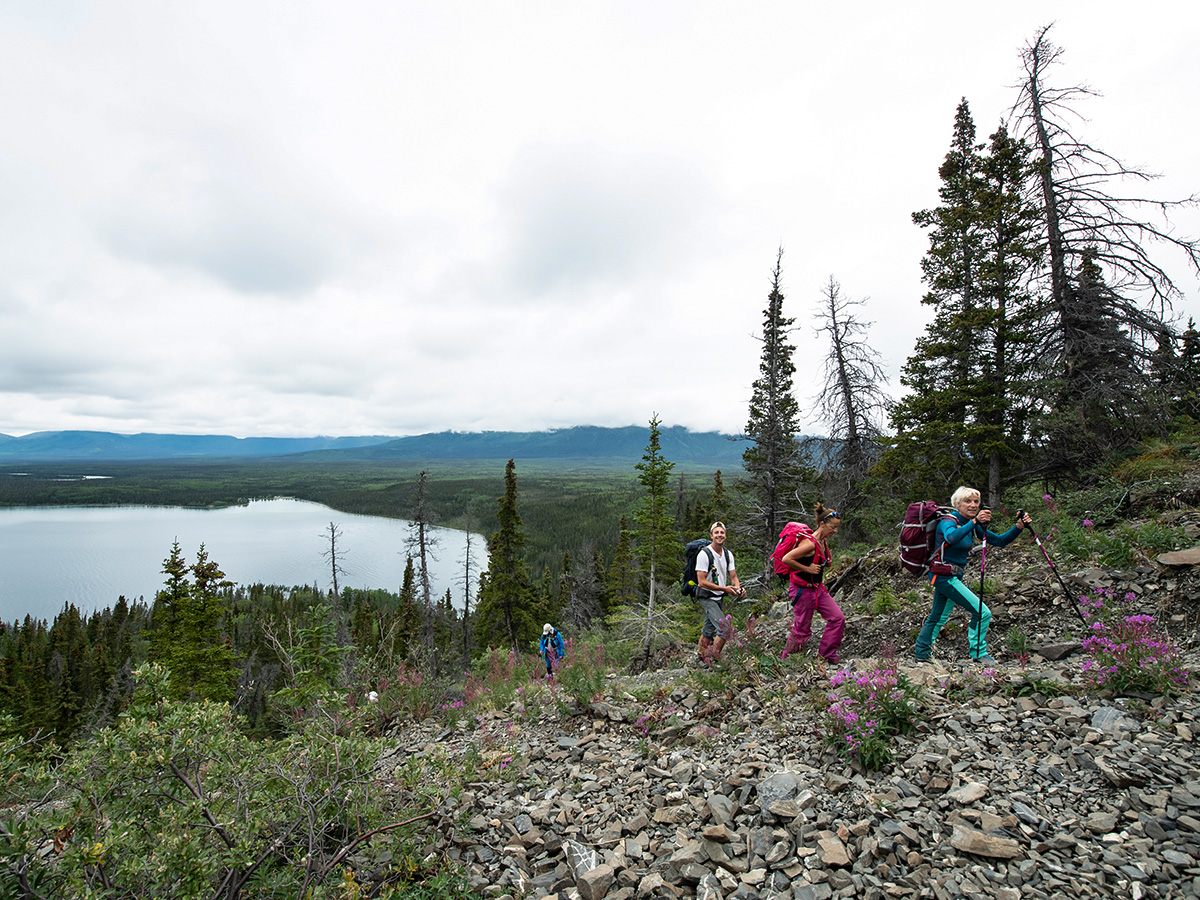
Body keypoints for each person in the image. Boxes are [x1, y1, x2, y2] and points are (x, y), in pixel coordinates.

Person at [914, 487, 1031, 664]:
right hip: (945, 577)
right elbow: (951, 538)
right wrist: (975, 522)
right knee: (982, 612)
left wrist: (1019, 527)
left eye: (976, 501)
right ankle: (979, 653)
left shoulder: (971, 525)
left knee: (938, 617)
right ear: (957, 504)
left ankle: (922, 655)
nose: (973, 505)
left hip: (951, 577)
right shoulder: (948, 521)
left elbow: (1000, 541)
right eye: (968, 501)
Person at [780, 503, 846, 665]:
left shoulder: (822, 541)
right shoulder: (809, 543)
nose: (835, 531)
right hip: (802, 590)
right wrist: (807, 568)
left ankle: (826, 655)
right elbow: (786, 559)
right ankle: (787, 662)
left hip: (817, 589)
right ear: (822, 524)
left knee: (837, 618)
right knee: (802, 630)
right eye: (833, 527)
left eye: (837, 527)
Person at [695, 521, 745, 665]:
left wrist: (738, 588)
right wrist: (725, 589)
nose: (719, 535)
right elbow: (702, 581)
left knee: (709, 628)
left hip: (718, 596)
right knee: (725, 629)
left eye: (722, 532)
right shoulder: (704, 554)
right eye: (716, 533)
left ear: (725, 535)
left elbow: (733, 576)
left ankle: (701, 656)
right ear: (711, 536)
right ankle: (712, 659)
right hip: (706, 596)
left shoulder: (728, 554)